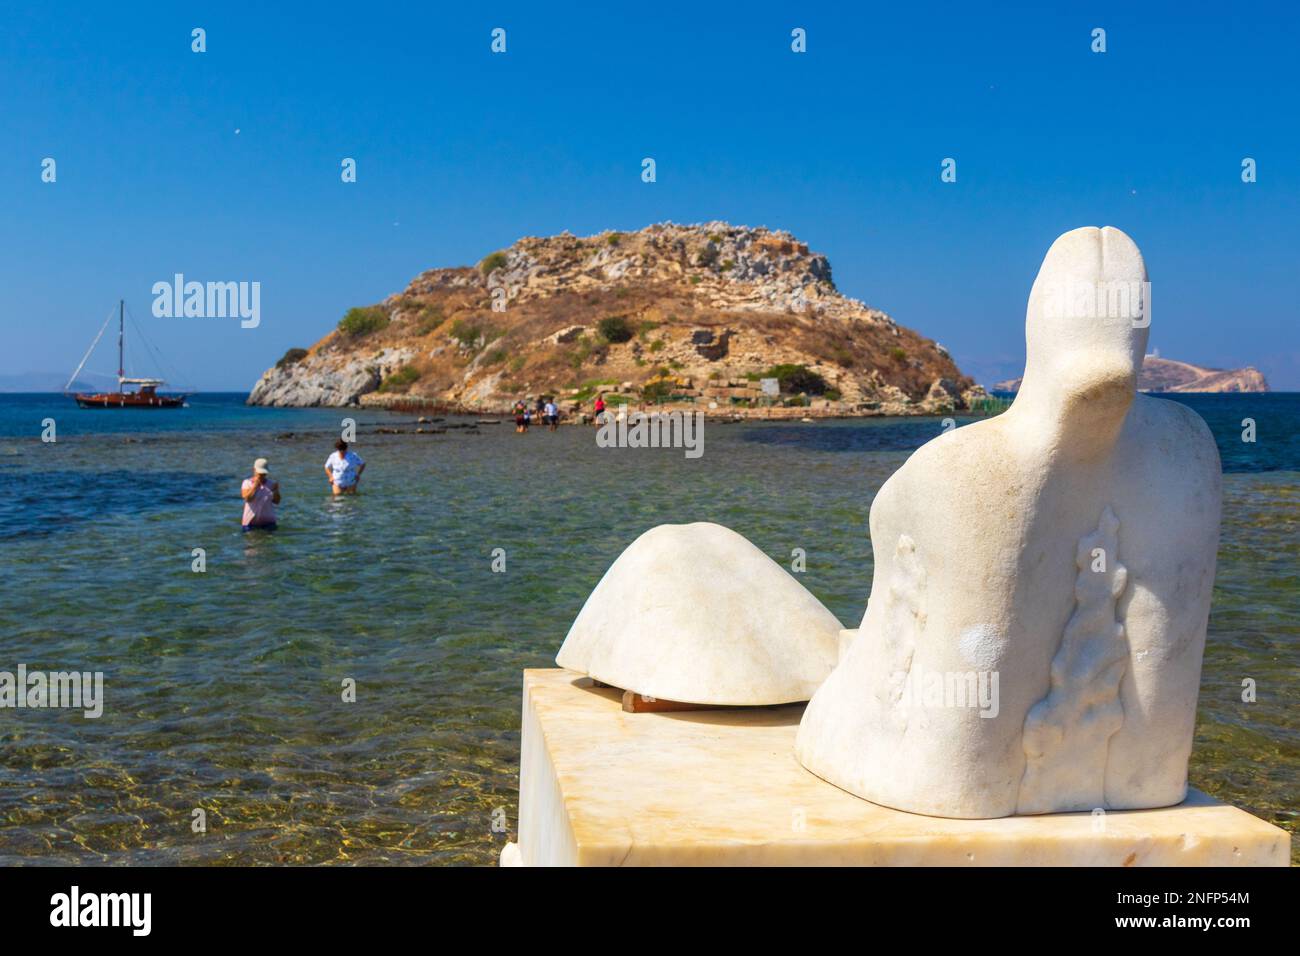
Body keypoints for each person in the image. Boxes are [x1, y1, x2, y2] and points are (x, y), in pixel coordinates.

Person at [240, 458, 281, 531]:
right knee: (251, 541)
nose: (262, 476)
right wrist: (255, 486)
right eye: (260, 473)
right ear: (254, 470)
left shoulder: (272, 484)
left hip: (269, 522)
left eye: (264, 474)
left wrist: (276, 491)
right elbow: (247, 498)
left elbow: (277, 502)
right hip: (250, 523)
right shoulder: (247, 483)